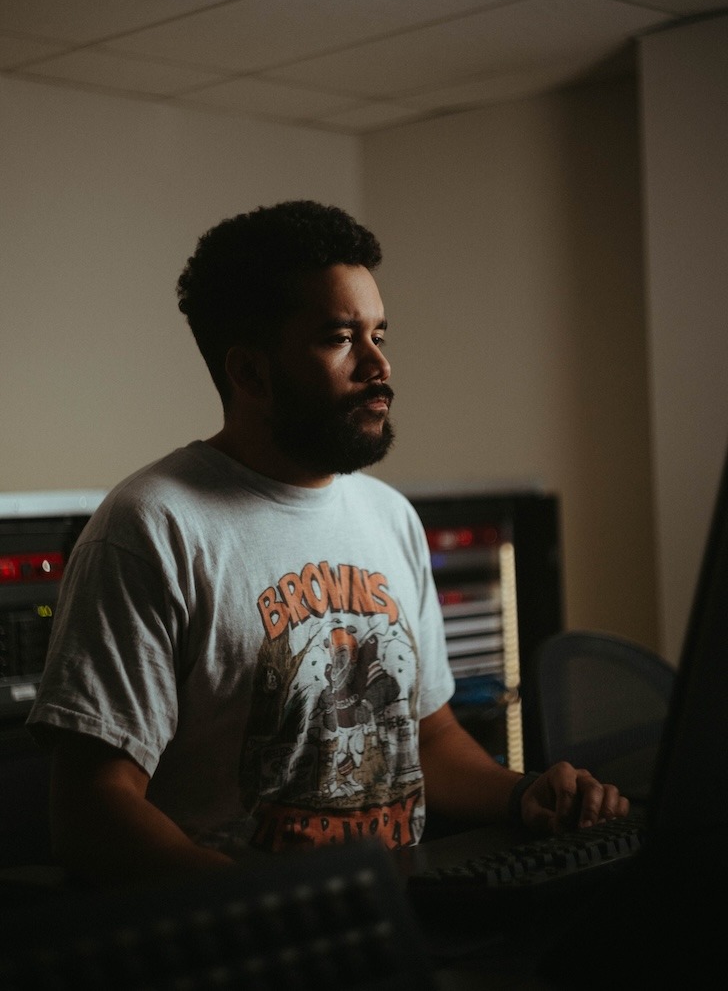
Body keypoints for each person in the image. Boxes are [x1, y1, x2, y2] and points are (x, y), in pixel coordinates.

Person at [27, 200, 629, 886]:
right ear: (251, 374)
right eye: (341, 338)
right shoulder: (152, 529)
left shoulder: (389, 516)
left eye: (379, 333)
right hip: (255, 946)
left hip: (397, 919)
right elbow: (91, 810)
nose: (379, 365)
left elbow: (428, 742)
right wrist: (267, 907)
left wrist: (526, 794)